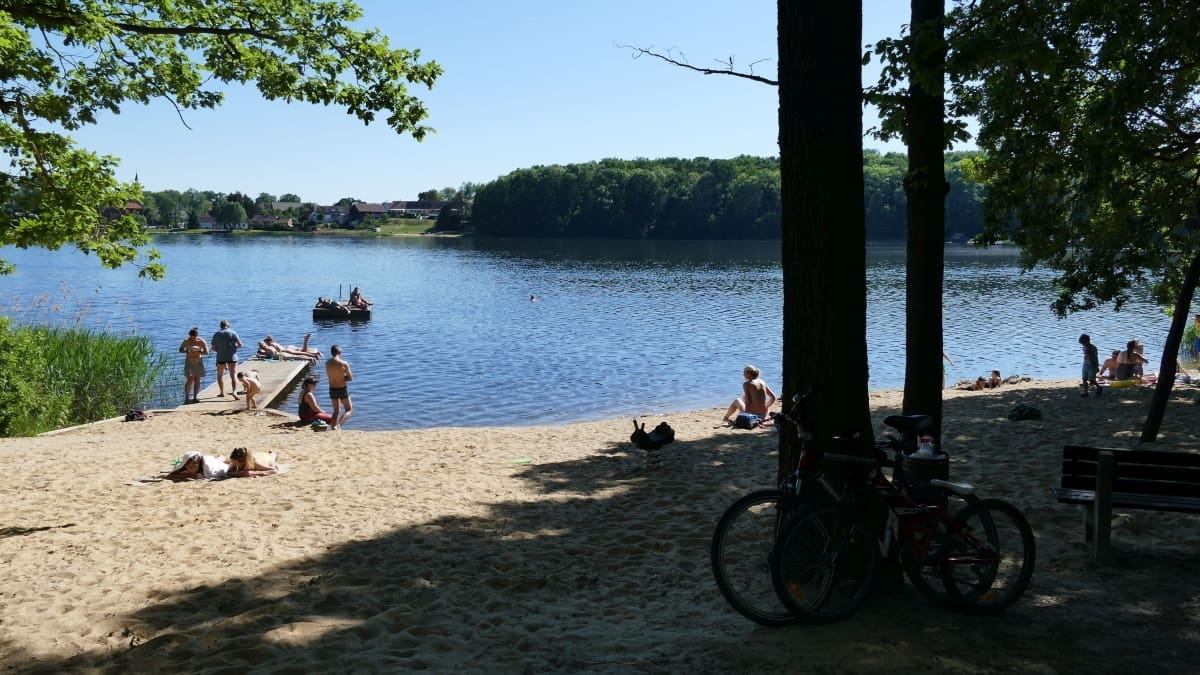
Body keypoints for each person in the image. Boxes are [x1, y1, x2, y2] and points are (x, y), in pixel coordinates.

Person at [210, 319, 243, 399]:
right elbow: (240, 345)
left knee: (220, 375)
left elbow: (213, 348)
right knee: (233, 375)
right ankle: (234, 392)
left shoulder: (216, 334)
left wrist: (219, 350)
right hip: (232, 356)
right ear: (228, 325)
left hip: (220, 356)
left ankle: (222, 392)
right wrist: (234, 347)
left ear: (220, 326)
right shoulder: (233, 332)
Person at [324, 344, 354, 430]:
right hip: (342, 388)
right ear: (340, 352)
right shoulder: (344, 363)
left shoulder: (327, 363)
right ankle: (338, 425)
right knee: (349, 409)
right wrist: (343, 377)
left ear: (331, 352)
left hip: (332, 388)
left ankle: (333, 427)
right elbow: (350, 378)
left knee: (336, 411)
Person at [177, 327, 209, 404]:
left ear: (197, 336)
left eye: (194, 337)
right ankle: (187, 398)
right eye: (191, 337)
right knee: (189, 380)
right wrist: (186, 350)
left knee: (197, 380)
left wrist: (199, 351)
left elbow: (207, 352)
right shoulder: (186, 341)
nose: (193, 339)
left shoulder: (201, 341)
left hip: (198, 362)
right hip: (189, 362)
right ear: (189, 336)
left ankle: (195, 397)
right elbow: (180, 350)